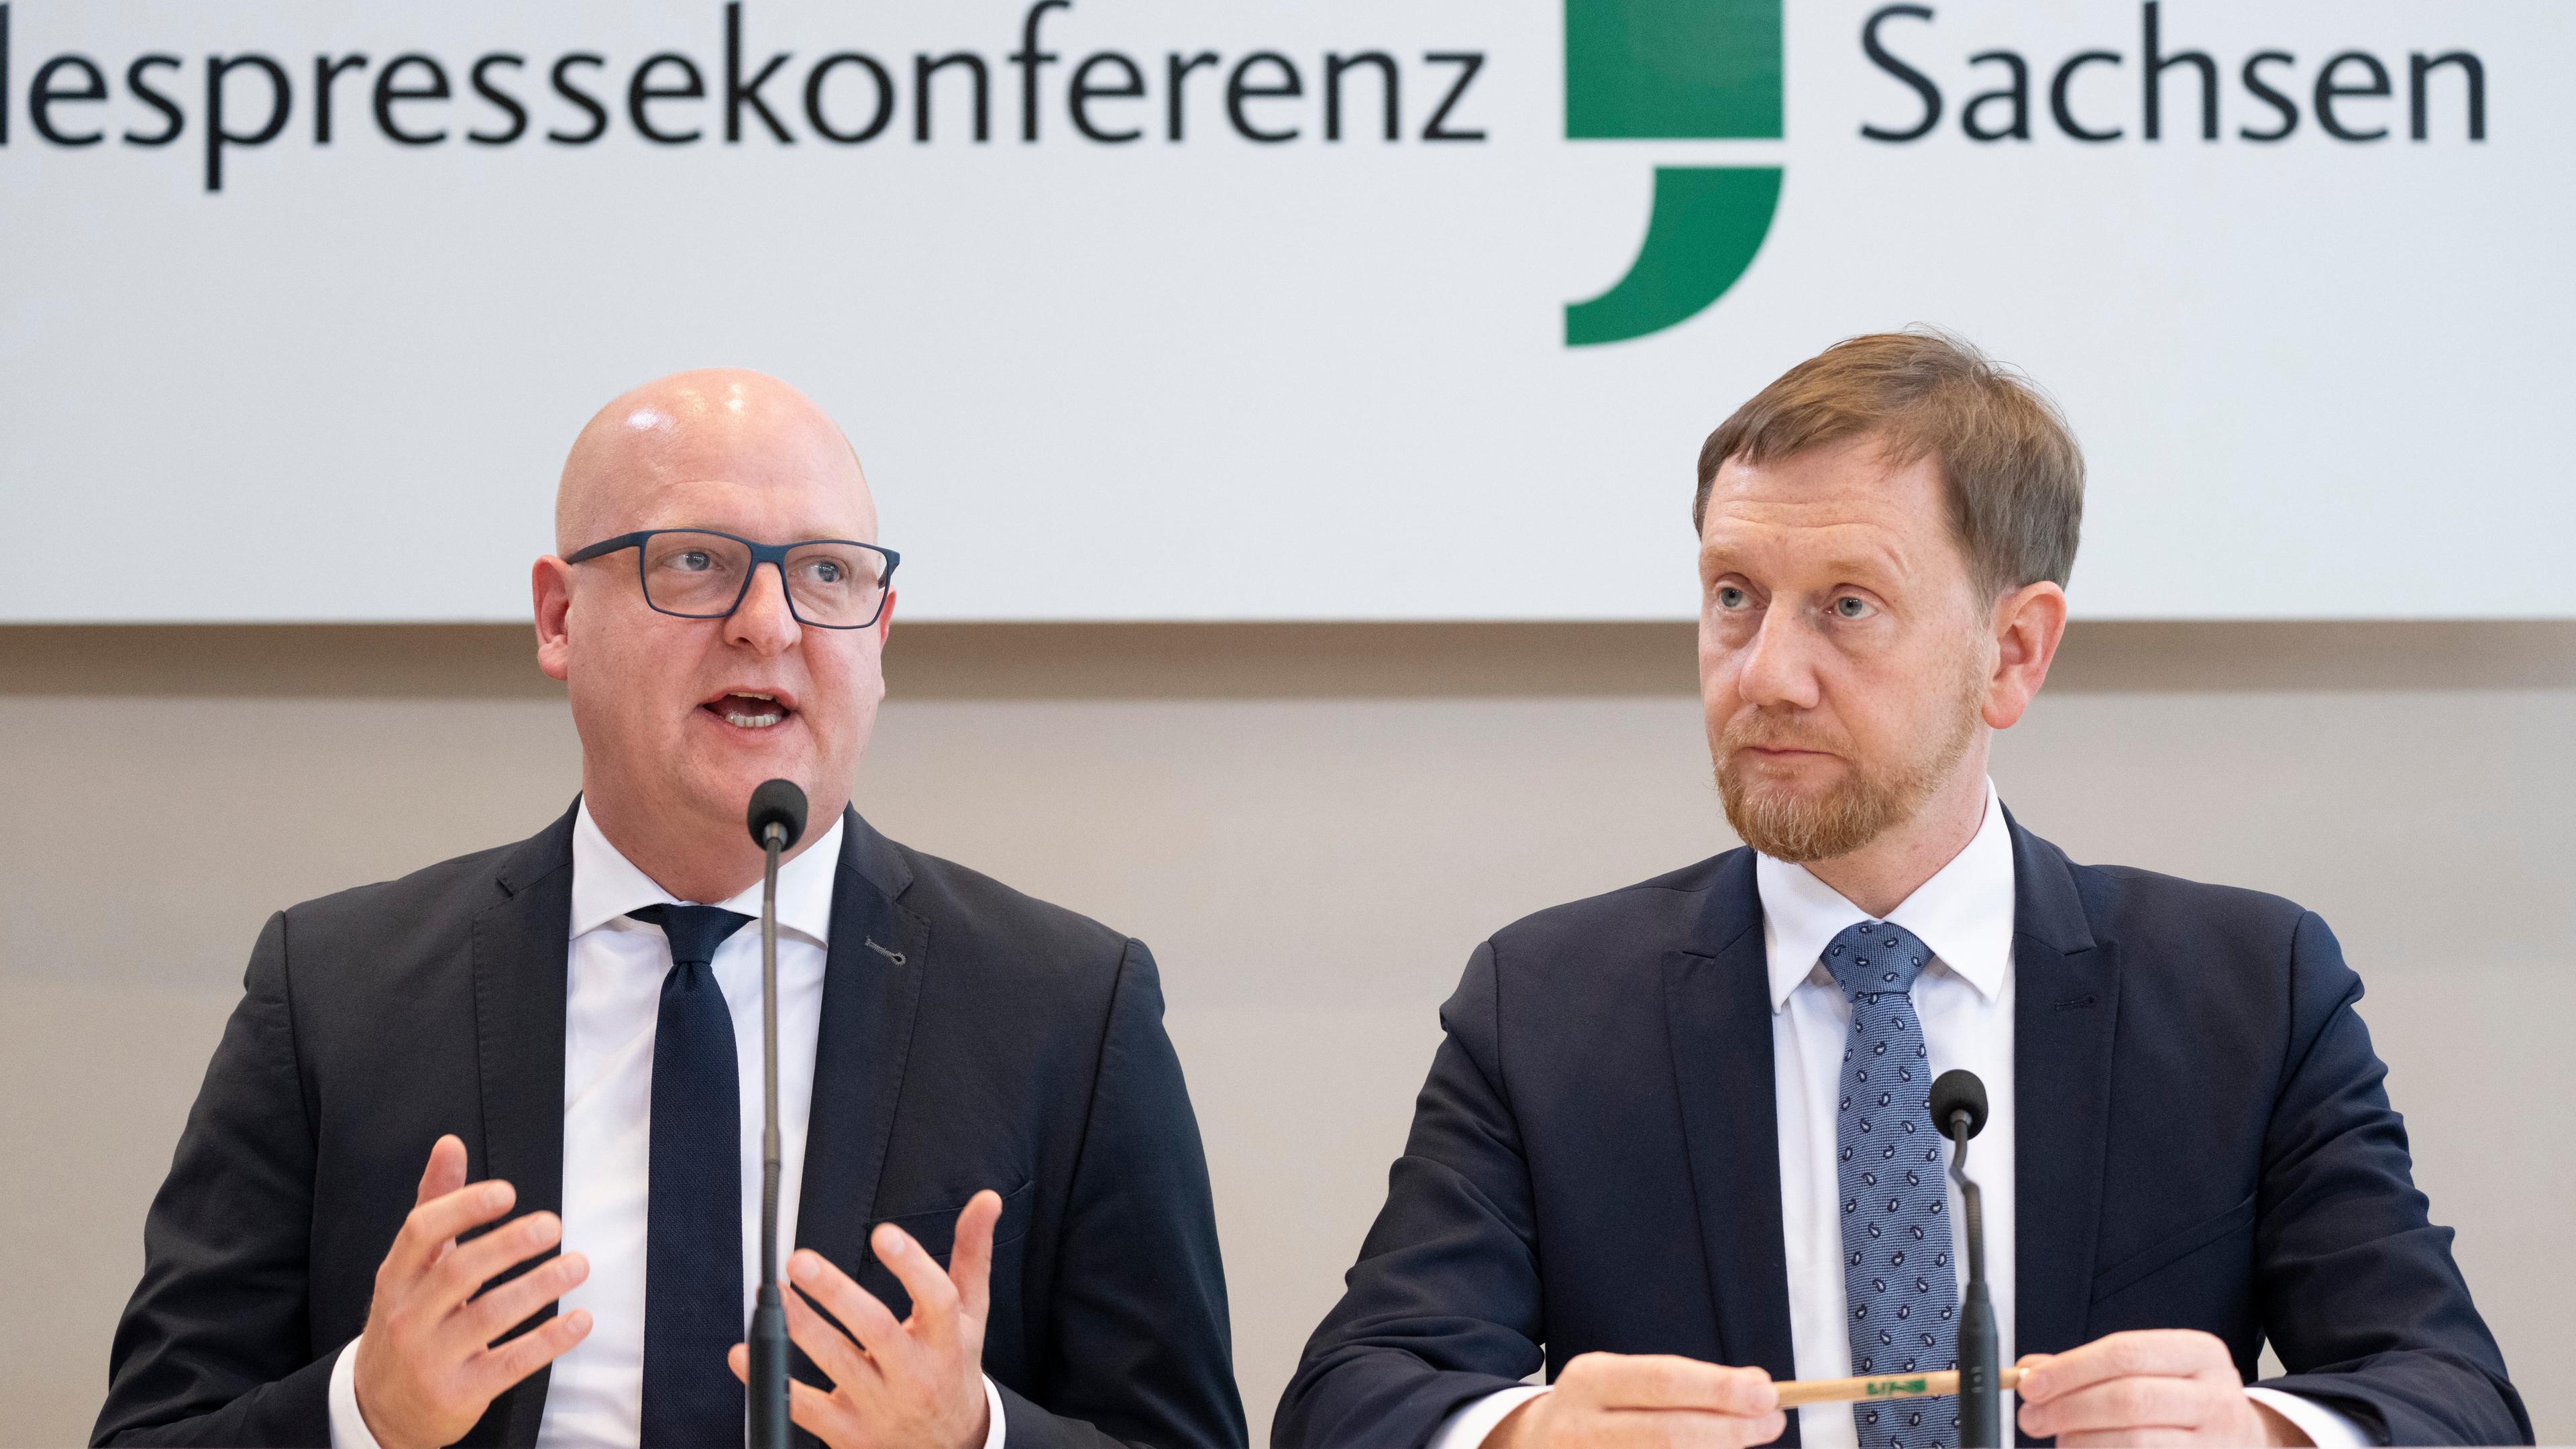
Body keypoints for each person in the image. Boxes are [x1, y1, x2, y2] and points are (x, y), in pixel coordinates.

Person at [1275, 332, 2528, 1449]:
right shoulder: (1546, 1004)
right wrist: (1517, 1437)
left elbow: (2454, 1398)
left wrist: (2263, 1433)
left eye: (1848, 607)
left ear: (2014, 651)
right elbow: (1351, 1396)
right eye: (1733, 598)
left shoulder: (2249, 990)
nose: (1765, 674)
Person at [95, 371, 1246, 1449]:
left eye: (828, 575)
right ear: (558, 619)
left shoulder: (1065, 1008)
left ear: (880, 637)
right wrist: (365, 1414)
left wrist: (976, 1438)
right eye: (695, 562)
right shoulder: (334, 991)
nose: (769, 622)